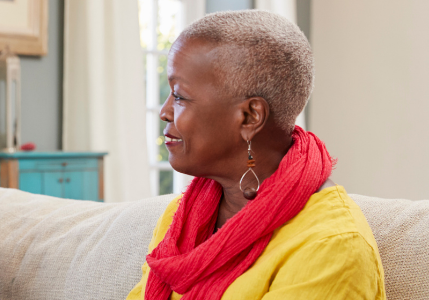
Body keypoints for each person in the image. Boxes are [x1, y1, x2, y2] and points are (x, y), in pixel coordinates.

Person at [126, 10, 385, 300]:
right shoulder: (181, 217)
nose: (164, 112)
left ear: (249, 117)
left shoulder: (332, 246)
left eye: (179, 96)